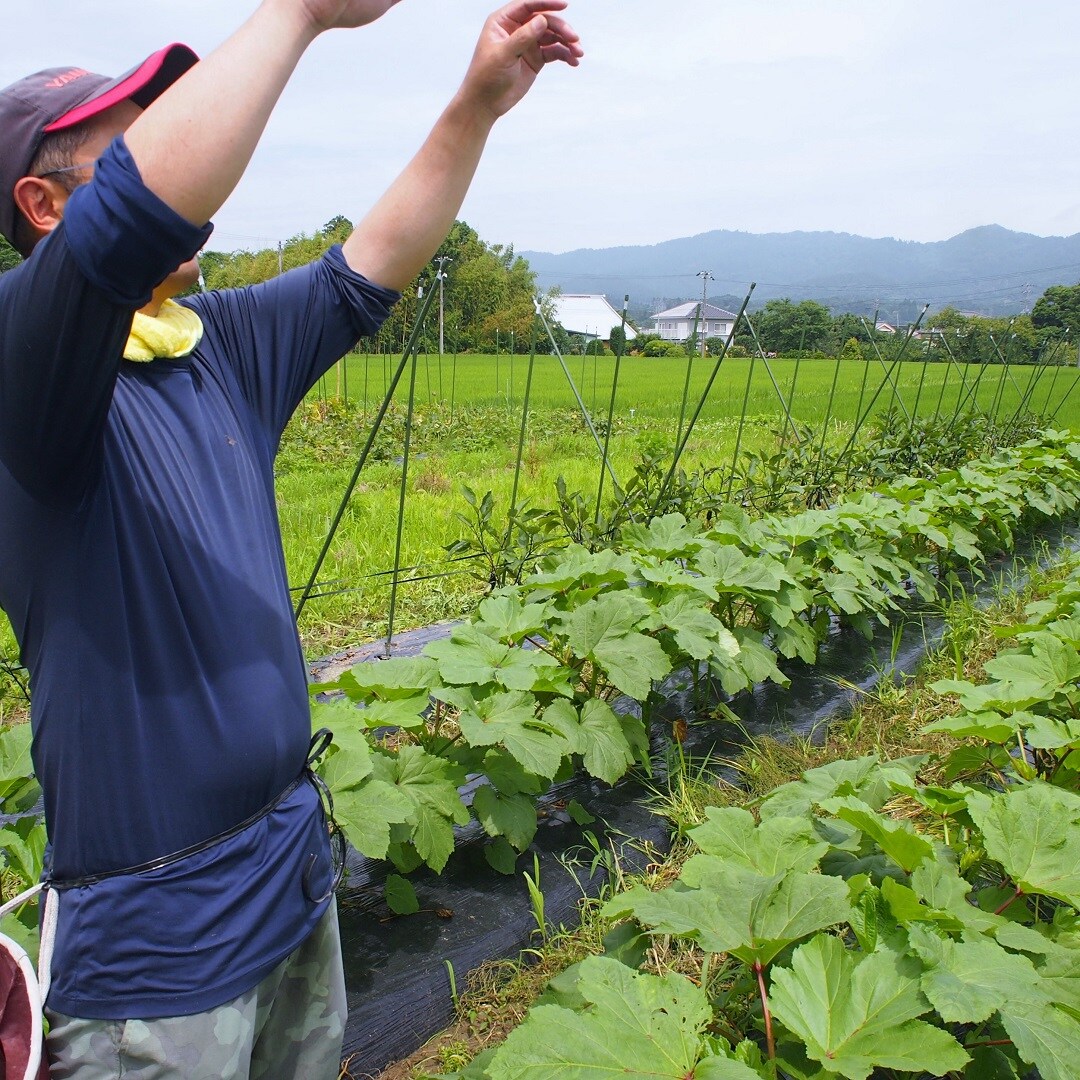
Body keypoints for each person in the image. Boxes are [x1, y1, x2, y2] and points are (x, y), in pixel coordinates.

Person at [0, 0, 582, 1075]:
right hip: (158, 938)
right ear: (42, 205)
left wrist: (476, 107)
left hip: (288, 874)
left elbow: (365, 270)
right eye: (128, 139)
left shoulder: (210, 347)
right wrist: (303, 12)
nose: (173, 148)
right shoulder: (25, 368)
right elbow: (133, 217)